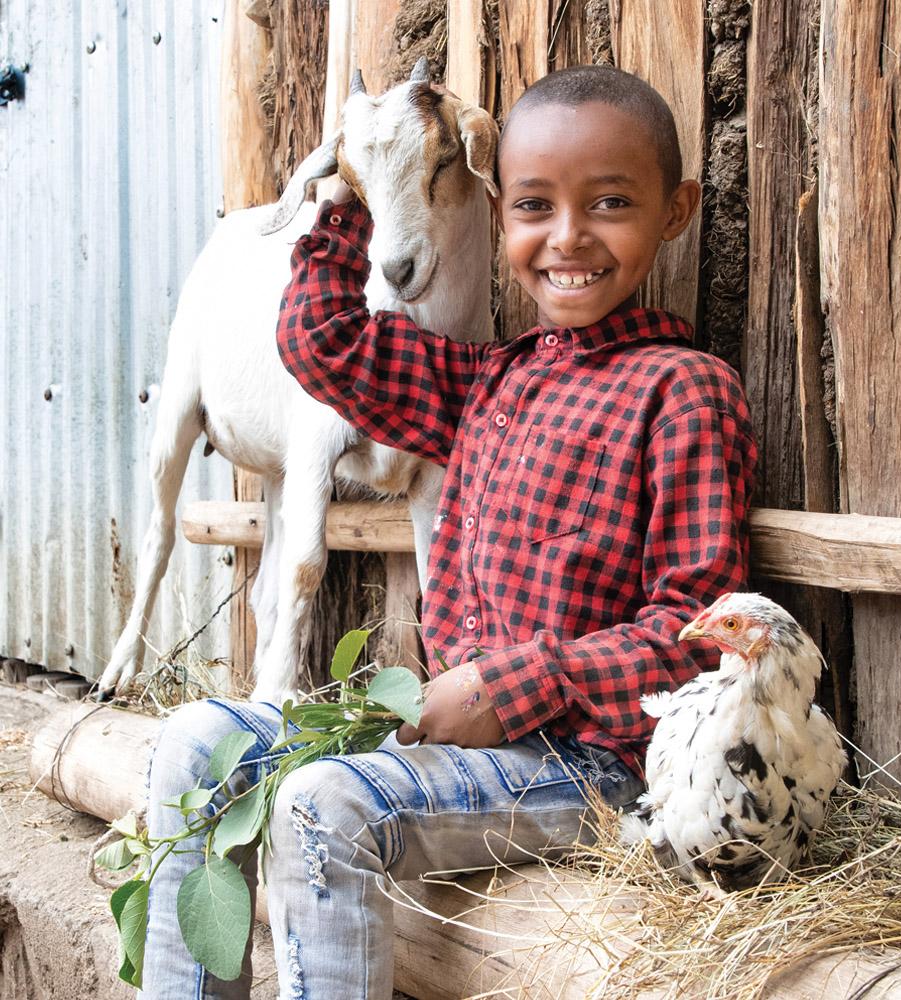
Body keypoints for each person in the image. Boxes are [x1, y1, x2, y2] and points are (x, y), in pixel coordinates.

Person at [140, 64, 757, 999]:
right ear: (499, 212)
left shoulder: (684, 391)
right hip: (457, 744)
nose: (568, 237)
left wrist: (515, 686)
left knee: (322, 803)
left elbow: (698, 639)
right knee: (194, 743)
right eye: (534, 206)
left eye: (610, 203)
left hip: (589, 765)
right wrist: (351, 187)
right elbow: (325, 342)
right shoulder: (487, 383)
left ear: (675, 212)